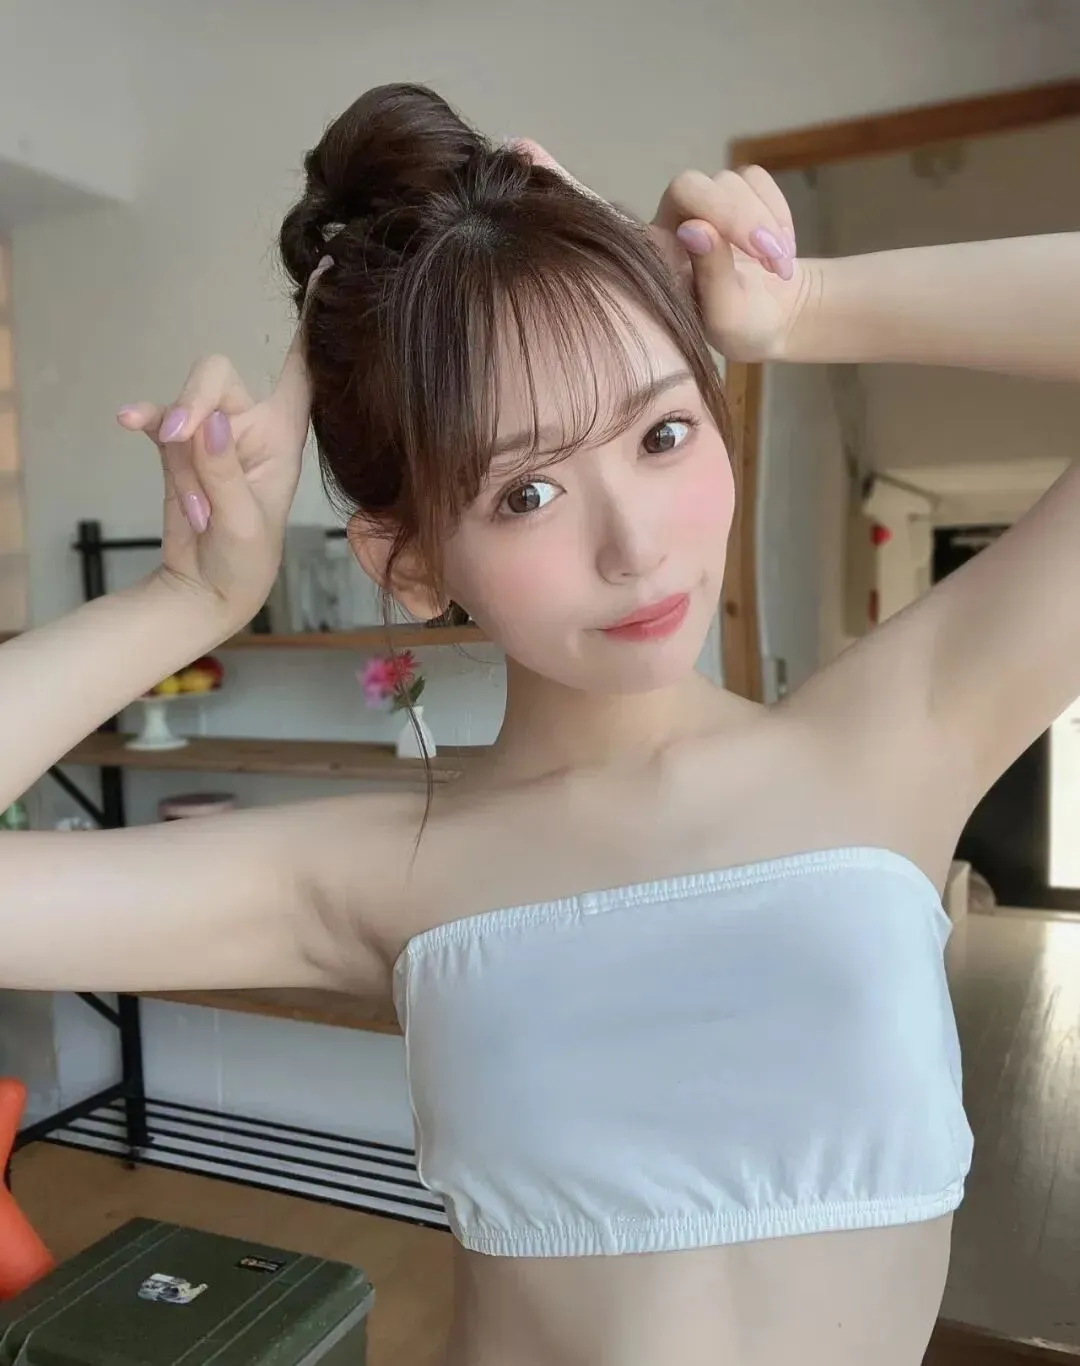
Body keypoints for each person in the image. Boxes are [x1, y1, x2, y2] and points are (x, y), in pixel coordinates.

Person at [2, 81, 1077, 1366]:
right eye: (527, 493)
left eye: (663, 432)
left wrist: (807, 305)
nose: (635, 545)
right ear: (410, 563)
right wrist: (187, 602)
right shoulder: (382, 873)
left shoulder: (895, 739)